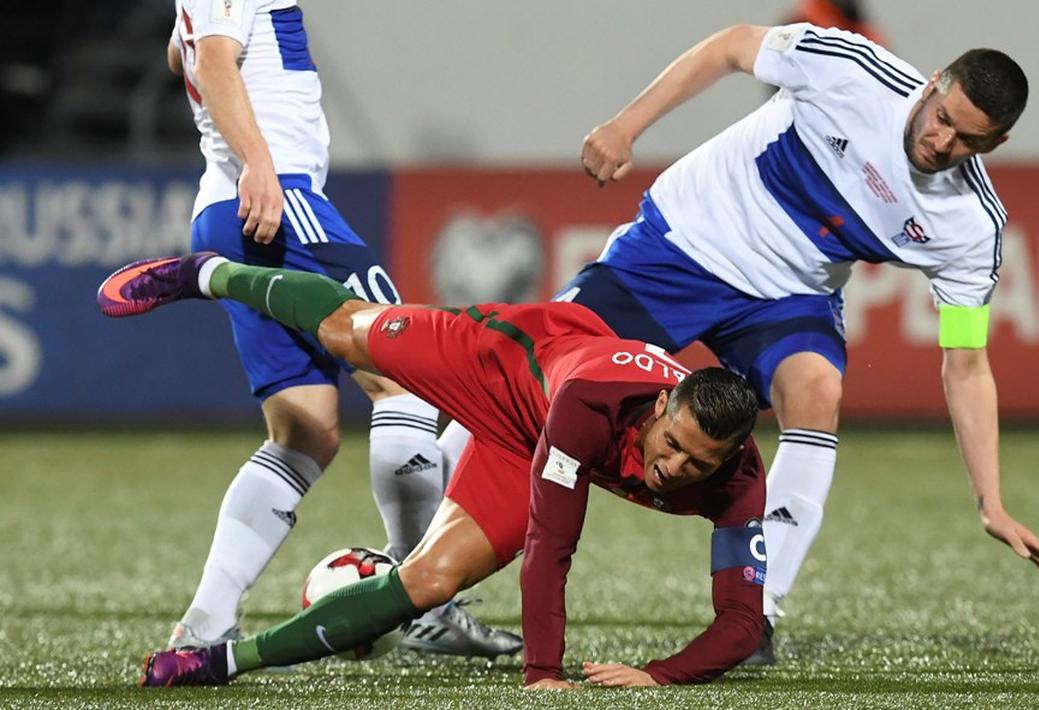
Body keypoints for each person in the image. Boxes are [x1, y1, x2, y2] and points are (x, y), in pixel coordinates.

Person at [561, 23, 1039, 663]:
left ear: (998, 143)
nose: (941, 141)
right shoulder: (851, 71)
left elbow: (966, 365)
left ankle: (755, 615)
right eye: (942, 117)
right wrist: (625, 126)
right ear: (936, 81)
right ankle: (423, 574)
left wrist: (991, 502)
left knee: (817, 390)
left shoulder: (970, 228)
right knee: (542, 376)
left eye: (969, 139)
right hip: (682, 246)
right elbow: (729, 47)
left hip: (786, 297)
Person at [98, 252, 767, 688]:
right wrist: (542, 672)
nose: (671, 468)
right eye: (670, 443)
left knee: (429, 579)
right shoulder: (592, 405)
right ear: (658, 405)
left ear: (729, 457)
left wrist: (657, 675)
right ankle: (206, 274)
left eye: (695, 463)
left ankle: (217, 662)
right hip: (501, 361)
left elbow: (740, 623)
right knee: (342, 330)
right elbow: (551, 542)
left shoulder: (738, 483)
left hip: (523, 445)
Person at [158, 0, 517, 657]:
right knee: (406, 377)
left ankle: (205, 624)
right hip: (276, 197)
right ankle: (422, 601)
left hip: (226, 207)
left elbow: (184, 53)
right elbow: (210, 61)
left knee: (304, 434)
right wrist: (261, 165)